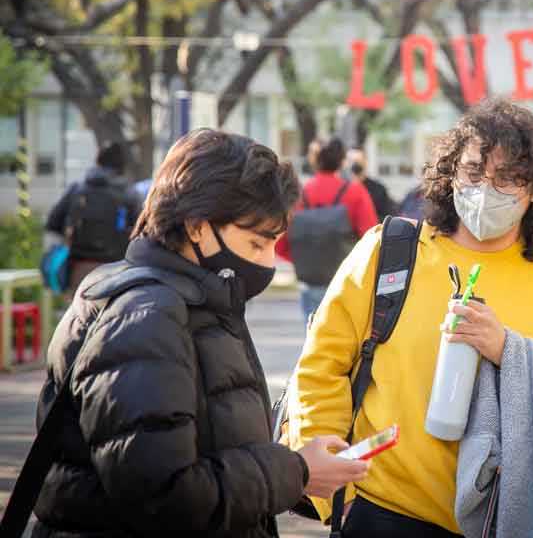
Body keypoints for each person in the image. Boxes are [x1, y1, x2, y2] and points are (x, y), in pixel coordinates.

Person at [288, 98, 533, 538]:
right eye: (474, 172)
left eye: (507, 178)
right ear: (451, 172)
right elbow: (322, 366)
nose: (484, 190)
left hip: (507, 520)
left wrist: (507, 351)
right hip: (384, 511)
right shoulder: (389, 250)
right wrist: (335, 500)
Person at [31, 129, 368, 537]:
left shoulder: (197, 300)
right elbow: (163, 495)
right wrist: (294, 471)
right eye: (256, 244)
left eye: (274, 245)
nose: (267, 263)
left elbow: (211, 448)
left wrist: (298, 471)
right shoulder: (146, 317)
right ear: (196, 227)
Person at [276, 138, 378, 320]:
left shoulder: (300, 194)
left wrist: (303, 259)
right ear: (342, 160)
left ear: (313, 160)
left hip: (312, 277)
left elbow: (281, 240)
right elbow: (372, 237)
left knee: (314, 337)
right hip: (348, 277)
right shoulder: (355, 191)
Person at [45, 142, 144, 295]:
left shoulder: (77, 189)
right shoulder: (130, 194)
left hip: (78, 268)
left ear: (97, 162)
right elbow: (142, 232)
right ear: (122, 167)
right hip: (117, 270)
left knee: (79, 315)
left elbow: (52, 224)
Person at [346, 147, 395, 221]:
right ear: (346, 163)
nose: (355, 165)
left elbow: (387, 217)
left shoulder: (379, 189)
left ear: (365, 162)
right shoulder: (341, 188)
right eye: (352, 161)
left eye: (358, 161)